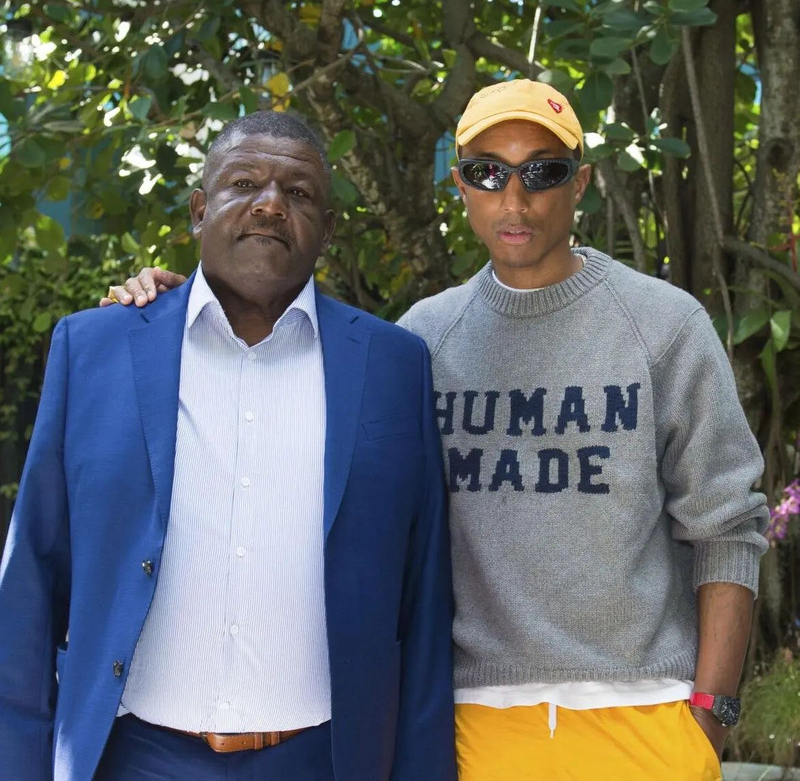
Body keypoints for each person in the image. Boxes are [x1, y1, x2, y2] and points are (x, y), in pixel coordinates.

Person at [103, 81, 769, 781]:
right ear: (460, 185)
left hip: (643, 717)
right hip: (469, 726)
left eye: (542, 172)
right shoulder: (421, 339)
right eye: (488, 172)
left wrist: (708, 720)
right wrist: (176, 313)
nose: (515, 199)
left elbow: (726, 531)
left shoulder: (665, 326)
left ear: (581, 184)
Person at [0, 111, 457, 781]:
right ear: (198, 210)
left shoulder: (393, 365)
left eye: (298, 194)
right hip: (132, 757)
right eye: (244, 183)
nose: (270, 204)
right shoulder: (95, 348)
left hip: (324, 758)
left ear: (327, 233)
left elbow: (422, 601)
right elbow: (31, 579)